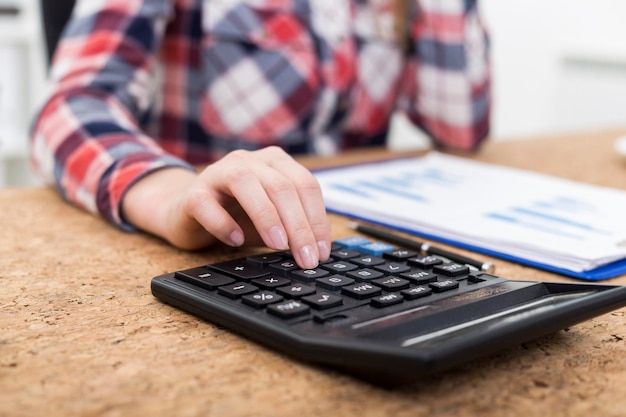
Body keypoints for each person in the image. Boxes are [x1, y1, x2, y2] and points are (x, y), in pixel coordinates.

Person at [30, 0, 491, 269]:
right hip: (213, 255)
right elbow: (70, 107)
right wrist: (173, 196)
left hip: (349, 251)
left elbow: (461, 128)